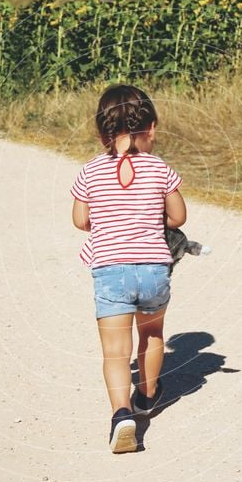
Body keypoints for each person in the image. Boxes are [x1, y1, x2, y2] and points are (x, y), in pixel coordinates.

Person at [71, 84, 187, 453]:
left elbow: (80, 219)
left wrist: (108, 221)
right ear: (151, 128)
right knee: (152, 335)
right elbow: (179, 215)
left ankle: (121, 415)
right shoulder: (160, 168)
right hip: (153, 268)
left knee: (115, 351)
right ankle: (147, 395)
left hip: (110, 270)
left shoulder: (90, 172)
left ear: (101, 132)